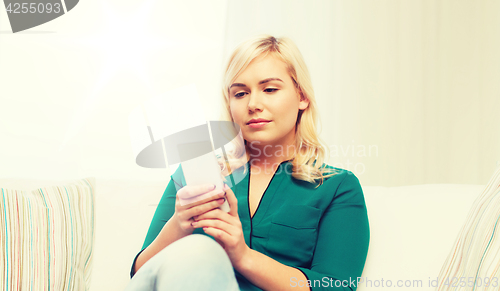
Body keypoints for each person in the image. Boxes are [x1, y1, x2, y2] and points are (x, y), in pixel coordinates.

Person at [125, 35, 370, 291]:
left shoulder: (338, 187)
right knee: (199, 249)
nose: (253, 104)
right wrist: (178, 225)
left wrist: (243, 256)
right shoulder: (193, 175)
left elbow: (336, 286)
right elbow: (142, 276)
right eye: (240, 93)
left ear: (302, 96)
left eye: (270, 89)